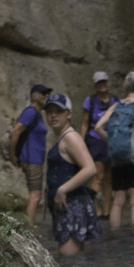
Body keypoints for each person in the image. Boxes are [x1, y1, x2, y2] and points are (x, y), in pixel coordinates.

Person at [96, 71, 134, 232]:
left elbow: (98, 127)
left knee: (118, 201)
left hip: (118, 159)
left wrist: (112, 142)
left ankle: (114, 236)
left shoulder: (116, 106)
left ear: (125, 86)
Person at [42, 93, 101, 254]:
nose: (53, 115)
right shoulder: (60, 137)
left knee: (68, 260)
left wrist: (62, 189)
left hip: (74, 206)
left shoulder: (71, 137)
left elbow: (90, 168)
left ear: (69, 113)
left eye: (58, 111)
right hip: (66, 207)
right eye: (49, 111)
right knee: (74, 261)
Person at [7, 84, 52, 225]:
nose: (46, 96)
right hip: (31, 159)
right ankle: (30, 229)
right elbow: (16, 131)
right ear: (34, 96)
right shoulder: (31, 112)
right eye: (43, 93)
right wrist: (12, 155)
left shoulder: (38, 113)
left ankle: (30, 226)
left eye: (47, 94)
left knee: (36, 195)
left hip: (35, 159)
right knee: (35, 195)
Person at [80, 72, 115, 218]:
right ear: (95, 85)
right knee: (98, 176)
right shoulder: (90, 101)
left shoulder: (115, 101)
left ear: (108, 83)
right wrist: (81, 144)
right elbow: (85, 124)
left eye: (104, 82)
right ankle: (96, 211)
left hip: (111, 141)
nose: (102, 85)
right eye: (99, 83)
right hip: (95, 140)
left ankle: (107, 211)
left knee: (109, 177)